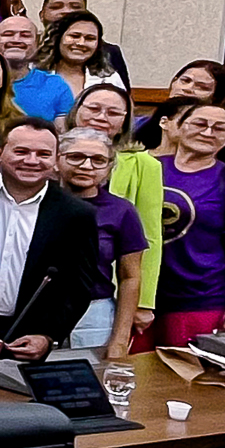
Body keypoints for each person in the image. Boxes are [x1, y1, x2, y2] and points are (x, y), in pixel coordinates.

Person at [0, 120, 105, 360]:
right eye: (21, 151)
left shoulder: (75, 214)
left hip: (22, 338)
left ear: (56, 160)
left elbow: (78, 287)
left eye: (43, 154)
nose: (31, 161)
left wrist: (49, 335)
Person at [148, 100, 225, 346]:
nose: (208, 132)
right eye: (200, 124)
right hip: (139, 299)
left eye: (219, 128)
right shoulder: (148, 168)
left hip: (198, 300)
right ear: (178, 127)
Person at [57, 127, 145, 358]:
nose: (86, 166)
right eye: (75, 157)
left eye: (98, 160)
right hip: (37, 310)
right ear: (57, 160)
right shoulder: (41, 202)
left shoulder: (122, 211)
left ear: (109, 168)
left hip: (94, 313)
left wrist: (120, 339)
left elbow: (131, 277)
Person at [28, 12, 112, 116]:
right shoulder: (30, 72)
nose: (81, 43)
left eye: (90, 38)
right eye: (74, 36)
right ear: (58, 38)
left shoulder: (109, 79)